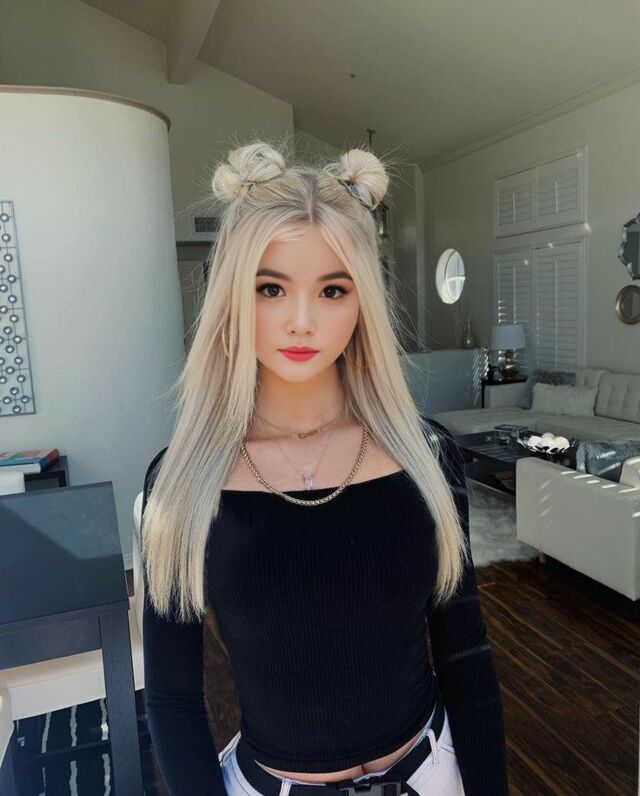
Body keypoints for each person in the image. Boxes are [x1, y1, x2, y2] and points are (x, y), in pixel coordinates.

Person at [140, 139, 509, 796]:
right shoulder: (184, 482)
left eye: (333, 289)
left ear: (362, 300)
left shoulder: (425, 455)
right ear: (232, 295)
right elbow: (171, 697)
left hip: (434, 775)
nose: (302, 321)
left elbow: (465, 652)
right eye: (271, 288)